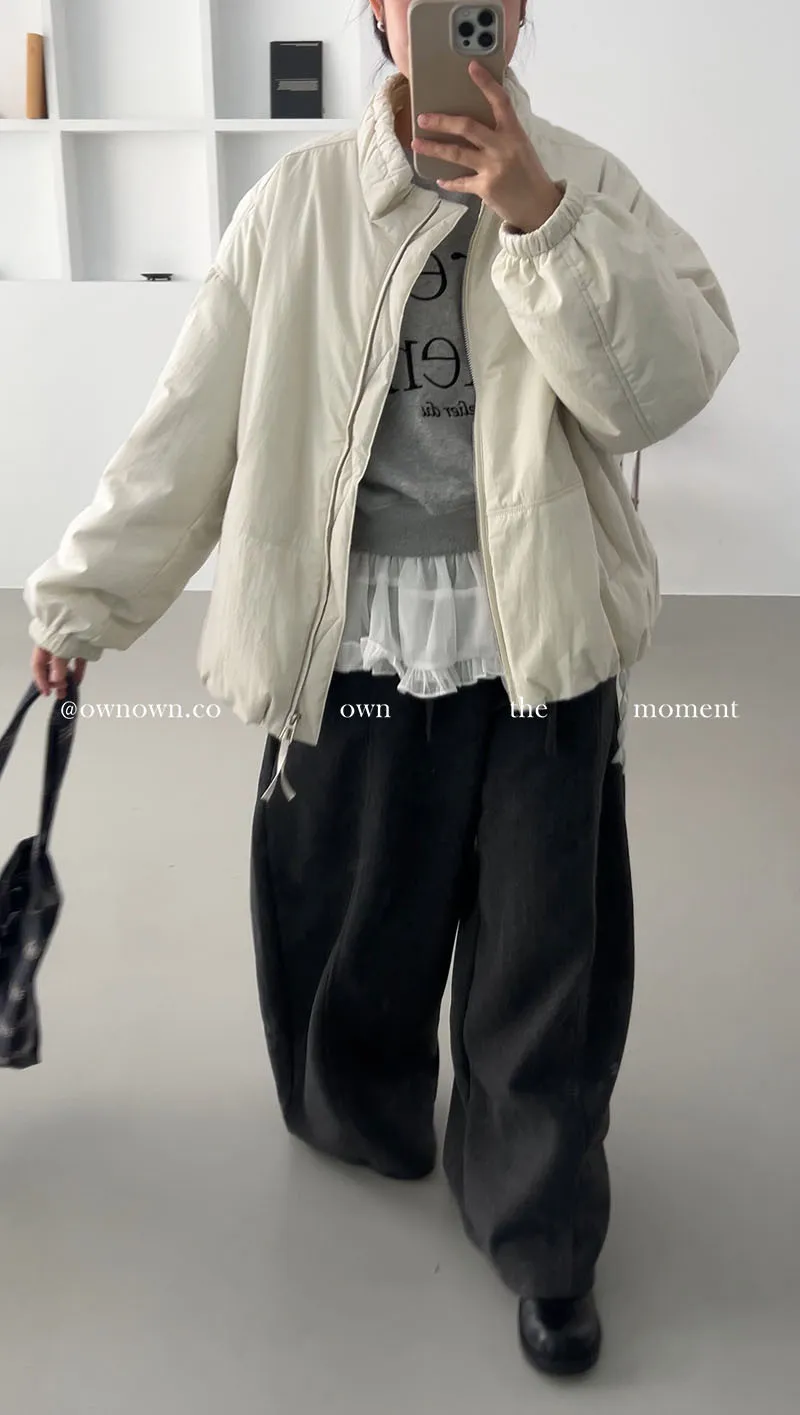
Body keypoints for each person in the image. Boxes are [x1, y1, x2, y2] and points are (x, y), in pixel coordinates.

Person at [24, 0, 739, 1379]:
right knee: (348, 916)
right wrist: (84, 598)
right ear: (379, 13)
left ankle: (542, 1233)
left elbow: (662, 391)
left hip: (539, 638)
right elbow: (188, 427)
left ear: (515, 16)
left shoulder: (586, 183)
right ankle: (364, 1117)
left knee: (545, 955)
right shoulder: (296, 205)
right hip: (353, 641)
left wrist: (540, 219)